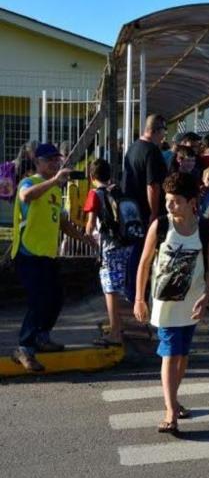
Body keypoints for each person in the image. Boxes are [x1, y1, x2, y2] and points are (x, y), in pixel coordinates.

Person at [133, 172, 209, 434]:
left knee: (182, 355)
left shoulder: (205, 228)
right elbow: (145, 263)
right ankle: (171, 412)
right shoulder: (160, 226)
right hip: (164, 303)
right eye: (168, 200)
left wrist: (207, 294)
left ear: (192, 202)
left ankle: (174, 399)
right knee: (170, 353)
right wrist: (139, 299)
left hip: (192, 302)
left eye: (176, 201)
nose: (170, 205)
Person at [10, 144, 92, 371]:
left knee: (56, 298)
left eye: (57, 160)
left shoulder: (55, 191)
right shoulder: (30, 183)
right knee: (38, 301)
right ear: (37, 162)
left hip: (47, 253)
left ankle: (41, 337)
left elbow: (63, 223)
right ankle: (24, 347)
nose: (54, 164)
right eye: (49, 160)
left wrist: (84, 238)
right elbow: (26, 196)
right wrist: (55, 181)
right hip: (28, 253)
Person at [83, 158, 133, 346]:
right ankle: (118, 326)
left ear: (91, 176)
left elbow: (89, 225)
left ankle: (115, 333)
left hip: (110, 247)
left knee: (110, 289)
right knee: (120, 286)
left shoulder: (95, 194)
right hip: (126, 244)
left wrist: (88, 238)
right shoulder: (117, 190)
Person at [122, 114, 168, 302]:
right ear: (156, 130)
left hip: (130, 208)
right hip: (145, 210)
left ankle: (130, 290)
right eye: (163, 131)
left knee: (134, 251)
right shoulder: (152, 151)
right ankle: (136, 294)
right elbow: (153, 185)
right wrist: (154, 213)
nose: (163, 137)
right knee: (144, 254)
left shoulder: (132, 148)